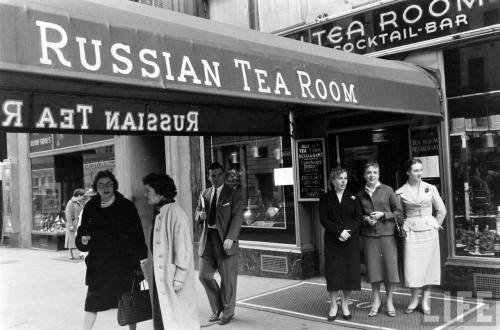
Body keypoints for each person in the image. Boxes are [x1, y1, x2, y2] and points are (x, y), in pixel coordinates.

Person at [76, 170, 148, 330]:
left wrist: (142, 260)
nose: (105, 188)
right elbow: (82, 232)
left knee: (129, 300)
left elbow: (137, 234)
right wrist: (82, 240)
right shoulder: (90, 207)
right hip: (99, 265)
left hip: (124, 264)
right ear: (96, 187)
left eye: (109, 184)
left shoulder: (126, 206)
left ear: (114, 185)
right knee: (92, 302)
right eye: (101, 185)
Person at [142, 173, 199, 330]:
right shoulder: (160, 212)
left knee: (176, 319)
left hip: (172, 277)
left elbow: (183, 248)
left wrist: (179, 277)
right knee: (162, 316)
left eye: (148, 190)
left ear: (160, 190)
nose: (145, 194)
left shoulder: (176, 213)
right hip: (160, 276)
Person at [395, 158, 447, 315]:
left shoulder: (430, 189)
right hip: (411, 233)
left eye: (420, 170)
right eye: (415, 170)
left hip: (429, 232)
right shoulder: (400, 192)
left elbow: (442, 210)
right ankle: (414, 300)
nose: (419, 173)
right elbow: (398, 214)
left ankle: (425, 300)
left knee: (428, 267)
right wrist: (403, 228)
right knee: (413, 268)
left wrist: (435, 225)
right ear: (408, 172)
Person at [195, 162, 243, 325]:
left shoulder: (233, 194)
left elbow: (237, 217)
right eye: (211, 175)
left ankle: (228, 312)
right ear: (208, 177)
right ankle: (218, 307)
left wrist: (231, 238)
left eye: (217, 175)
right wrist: (199, 216)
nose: (214, 178)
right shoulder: (205, 193)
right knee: (204, 275)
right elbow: (197, 213)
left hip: (225, 240)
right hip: (208, 238)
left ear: (224, 175)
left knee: (227, 279)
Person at [357, 163, 403, 317]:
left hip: (387, 235)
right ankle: (376, 300)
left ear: (379, 174)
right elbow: (357, 216)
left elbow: (399, 213)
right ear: (364, 175)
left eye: (375, 172)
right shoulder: (360, 194)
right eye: (368, 172)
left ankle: (389, 301)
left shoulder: (388, 190)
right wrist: (365, 220)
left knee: (390, 270)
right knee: (374, 270)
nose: (371, 175)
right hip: (370, 237)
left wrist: (383, 215)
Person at [319, 167, 363, 321]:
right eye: (340, 178)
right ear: (333, 180)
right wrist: (339, 232)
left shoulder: (353, 197)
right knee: (333, 273)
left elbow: (359, 218)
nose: (343, 181)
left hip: (350, 241)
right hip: (333, 241)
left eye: (345, 178)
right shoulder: (325, 198)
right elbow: (323, 219)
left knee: (348, 273)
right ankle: (333, 305)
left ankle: (345, 305)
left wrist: (348, 232)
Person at [64, 188, 85, 259]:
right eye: (82, 196)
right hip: (72, 224)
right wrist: (70, 225)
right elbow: (68, 215)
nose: (83, 197)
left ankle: (80, 253)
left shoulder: (79, 203)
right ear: (78, 195)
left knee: (79, 239)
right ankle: (70, 254)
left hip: (79, 223)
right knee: (71, 239)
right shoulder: (70, 203)